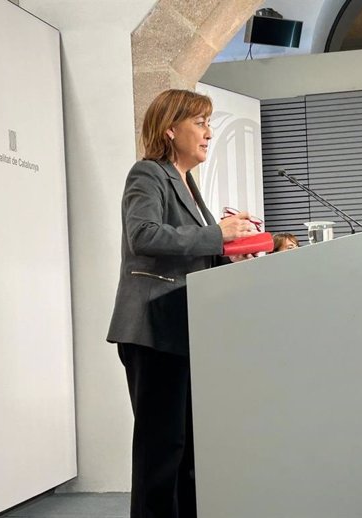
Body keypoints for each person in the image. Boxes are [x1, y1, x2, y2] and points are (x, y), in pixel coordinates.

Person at [106, 89, 254, 518]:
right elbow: (145, 235)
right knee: (161, 450)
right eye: (200, 123)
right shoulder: (147, 174)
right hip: (152, 330)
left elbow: (194, 252)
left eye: (209, 123)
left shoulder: (188, 183)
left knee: (188, 451)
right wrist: (219, 235)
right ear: (171, 129)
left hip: (184, 330)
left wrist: (233, 250)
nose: (209, 133)